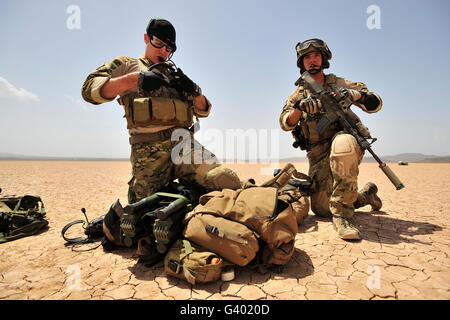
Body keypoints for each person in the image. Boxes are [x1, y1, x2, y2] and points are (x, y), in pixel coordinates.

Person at [82, 18, 241, 204]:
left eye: (169, 49)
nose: (163, 51)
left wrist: (194, 91)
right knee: (146, 210)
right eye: (158, 44)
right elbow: (89, 89)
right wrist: (136, 79)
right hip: (149, 153)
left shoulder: (174, 75)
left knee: (224, 179)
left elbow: (204, 110)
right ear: (146, 38)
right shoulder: (126, 64)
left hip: (184, 146)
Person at [279, 38, 383, 240]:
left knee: (342, 144)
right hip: (319, 155)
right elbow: (285, 122)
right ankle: (366, 195)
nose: (312, 60)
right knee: (322, 209)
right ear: (301, 63)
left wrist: (357, 96)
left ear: (324, 58)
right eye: (307, 57)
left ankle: (343, 217)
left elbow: (375, 103)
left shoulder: (339, 83)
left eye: (316, 55)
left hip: (346, 146)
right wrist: (300, 108)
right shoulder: (298, 94)